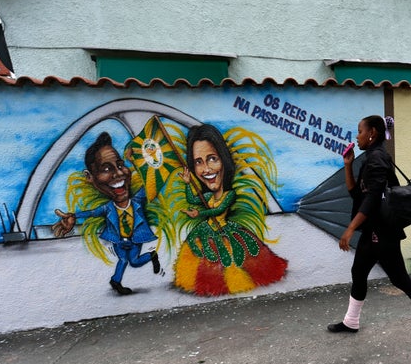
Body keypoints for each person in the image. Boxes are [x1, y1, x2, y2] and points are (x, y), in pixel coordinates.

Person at [327, 115, 411, 342]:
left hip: (383, 232)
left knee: (399, 278)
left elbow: (372, 198)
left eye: (360, 131)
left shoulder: (377, 159)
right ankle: (351, 322)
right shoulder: (370, 158)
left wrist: (350, 228)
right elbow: (357, 194)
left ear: (372, 132)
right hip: (374, 230)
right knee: (359, 272)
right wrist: (348, 165)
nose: (357, 136)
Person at [175, 124, 287, 296]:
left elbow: (218, 210)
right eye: (198, 162)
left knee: (235, 261)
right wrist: (188, 183)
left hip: (226, 231)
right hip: (206, 232)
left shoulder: (229, 194)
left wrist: (200, 214)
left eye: (212, 158)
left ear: (224, 159)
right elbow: (192, 199)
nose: (206, 169)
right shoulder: (208, 196)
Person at [51, 132, 160, 295]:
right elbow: (92, 213)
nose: (119, 173)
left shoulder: (137, 202)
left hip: (135, 239)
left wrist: (135, 163)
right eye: (107, 169)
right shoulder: (108, 208)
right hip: (119, 241)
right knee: (123, 260)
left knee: (135, 262)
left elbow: (150, 182)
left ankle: (152, 256)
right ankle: (116, 281)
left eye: (121, 165)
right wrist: (74, 216)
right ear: (90, 177)